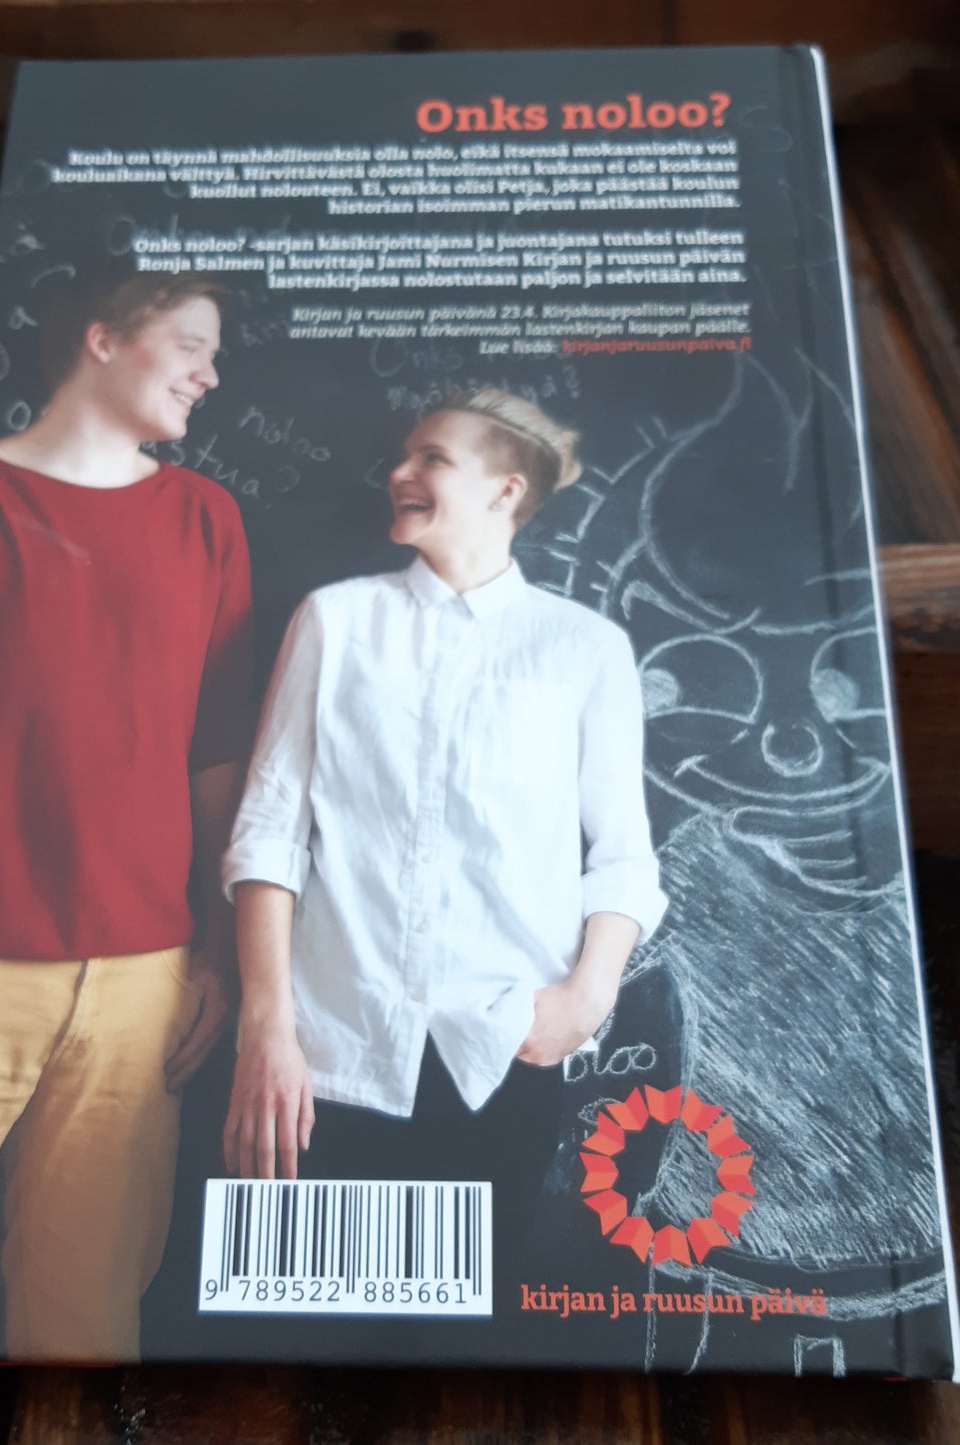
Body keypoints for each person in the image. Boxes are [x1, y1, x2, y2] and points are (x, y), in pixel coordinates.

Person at [0, 267, 253, 1361]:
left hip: (144, 984)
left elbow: (216, 751)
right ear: (103, 340)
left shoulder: (206, 518)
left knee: (86, 1326)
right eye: (192, 346)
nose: (211, 376)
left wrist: (216, 950)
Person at [220, 388, 666, 1302]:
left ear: (505, 490)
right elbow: (268, 833)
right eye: (403, 455)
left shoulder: (584, 647)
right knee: (306, 1313)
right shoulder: (334, 619)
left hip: (500, 1050)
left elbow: (623, 853)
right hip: (326, 1057)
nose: (399, 473)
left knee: (464, 1326)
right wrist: (267, 1029)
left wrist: (586, 997)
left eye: (431, 458)